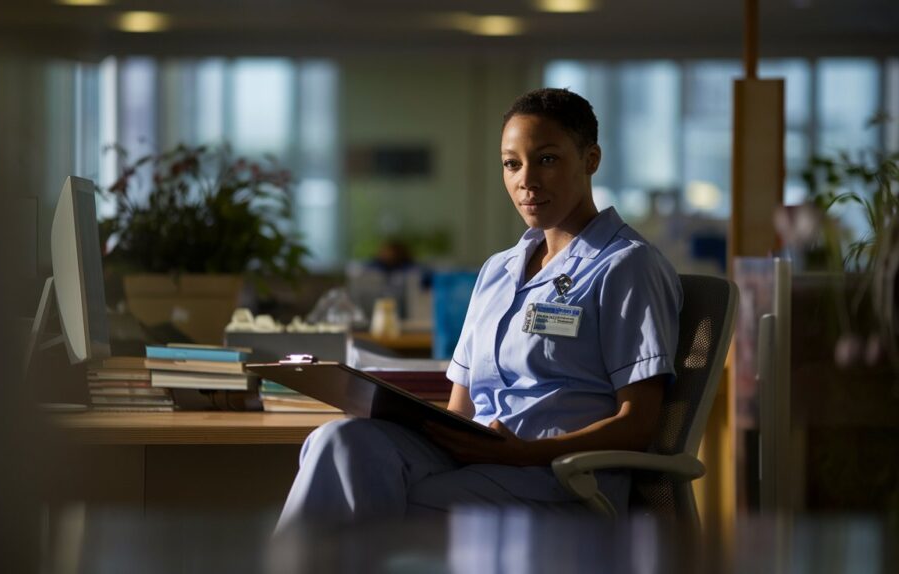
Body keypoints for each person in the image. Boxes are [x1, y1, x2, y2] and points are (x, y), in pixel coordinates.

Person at [274, 88, 682, 531]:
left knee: (385, 500)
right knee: (339, 441)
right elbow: (461, 410)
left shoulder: (626, 265)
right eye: (512, 164)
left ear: (591, 160)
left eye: (546, 159)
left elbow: (639, 423)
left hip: (556, 478)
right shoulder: (498, 271)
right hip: (476, 460)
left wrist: (522, 453)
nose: (526, 180)